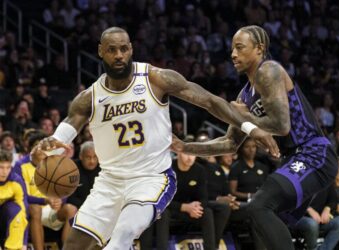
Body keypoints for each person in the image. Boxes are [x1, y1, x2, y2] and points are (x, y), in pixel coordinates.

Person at [30, 26, 278, 250]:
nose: (119, 55)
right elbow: (60, 137)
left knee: (122, 236)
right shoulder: (89, 97)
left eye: (124, 49)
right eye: (112, 50)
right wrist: (44, 151)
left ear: (131, 49)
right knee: (73, 245)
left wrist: (250, 128)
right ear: (100, 52)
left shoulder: (155, 79)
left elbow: (210, 101)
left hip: (152, 178)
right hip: (109, 183)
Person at [172, 25, 338, 250]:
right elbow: (230, 144)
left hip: (314, 152)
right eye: (232, 49)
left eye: (239, 48)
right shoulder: (244, 95)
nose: (233, 54)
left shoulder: (269, 71)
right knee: (261, 217)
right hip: (293, 159)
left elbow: (281, 126)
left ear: (259, 49)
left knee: (259, 205)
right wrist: (184, 146)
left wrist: (244, 117)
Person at [0, 149, 28, 250]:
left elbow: (23, 212)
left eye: (8, 167)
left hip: (5, 216)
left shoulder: (16, 181)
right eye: (1, 167)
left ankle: (13, 248)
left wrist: (24, 242)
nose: (4, 171)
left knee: (16, 209)